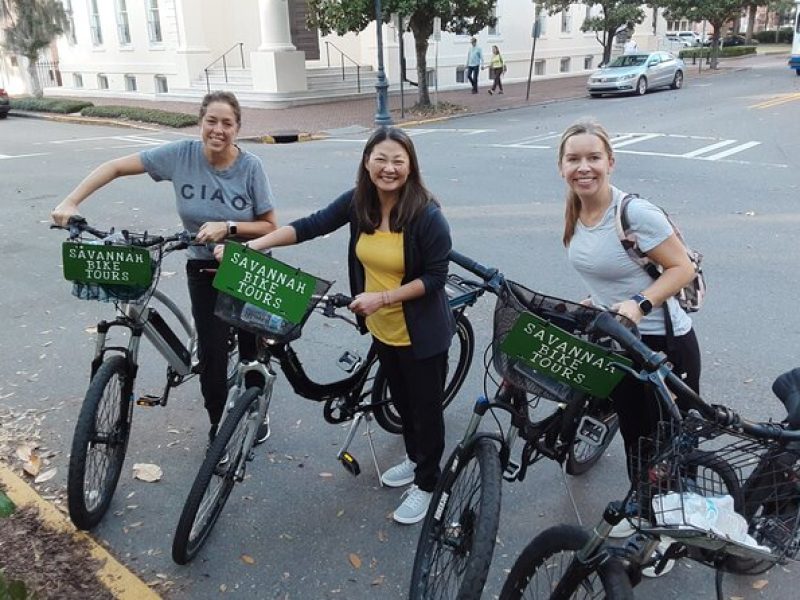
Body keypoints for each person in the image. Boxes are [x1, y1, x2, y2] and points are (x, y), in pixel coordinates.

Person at [218, 127, 455, 525]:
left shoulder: (426, 215)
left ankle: (430, 484)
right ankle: (416, 463)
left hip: (421, 333)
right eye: (381, 158)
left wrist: (382, 298)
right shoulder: (360, 203)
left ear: (411, 166)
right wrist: (252, 245)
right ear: (367, 161)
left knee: (425, 411)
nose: (389, 168)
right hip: (382, 330)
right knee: (402, 403)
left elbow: (435, 278)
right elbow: (310, 225)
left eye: (398, 160)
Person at [51, 90, 278, 451]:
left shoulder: (250, 167)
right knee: (213, 355)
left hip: (244, 261)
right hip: (202, 264)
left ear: (237, 128)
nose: (218, 130)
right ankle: (219, 426)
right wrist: (71, 200)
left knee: (250, 349)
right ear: (201, 122)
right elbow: (114, 167)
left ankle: (255, 406)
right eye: (211, 121)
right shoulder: (180, 155)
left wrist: (228, 227)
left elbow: (269, 226)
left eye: (227, 123)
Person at [557, 118, 701, 552]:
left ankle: (672, 536)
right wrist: (595, 300)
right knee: (636, 436)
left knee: (666, 445)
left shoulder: (635, 213)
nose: (584, 167)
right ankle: (645, 511)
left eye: (593, 158)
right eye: (574, 159)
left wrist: (638, 305)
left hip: (661, 344)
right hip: (619, 342)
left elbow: (682, 268)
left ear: (611, 162)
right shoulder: (577, 212)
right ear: (561, 166)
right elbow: (610, 272)